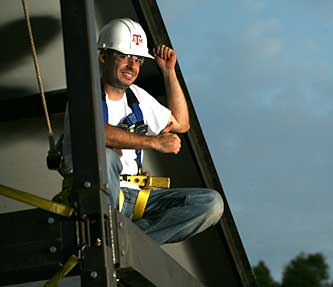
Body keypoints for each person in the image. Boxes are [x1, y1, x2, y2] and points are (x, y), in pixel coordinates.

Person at [61, 18, 223, 244]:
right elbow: (95, 133)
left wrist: (168, 72)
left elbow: (181, 123)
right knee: (104, 156)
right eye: (124, 56)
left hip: (138, 198)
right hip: (99, 193)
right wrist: (153, 142)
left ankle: (133, 242)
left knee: (211, 203)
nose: (132, 66)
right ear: (103, 56)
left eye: (137, 60)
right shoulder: (84, 93)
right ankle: (106, 234)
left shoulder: (137, 97)